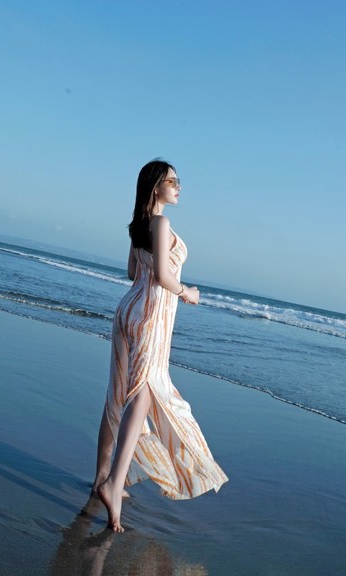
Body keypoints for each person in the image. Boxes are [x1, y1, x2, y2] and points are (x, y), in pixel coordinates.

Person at [92, 159, 228, 532]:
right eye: (172, 181)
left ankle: (102, 476)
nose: (178, 186)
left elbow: (134, 272)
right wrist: (188, 292)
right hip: (152, 315)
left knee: (117, 393)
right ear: (156, 187)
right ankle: (112, 485)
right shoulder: (162, 223)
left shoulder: (139, 226)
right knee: (144, 394)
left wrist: (157, 271)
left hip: (127, 309)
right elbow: (164, 277)